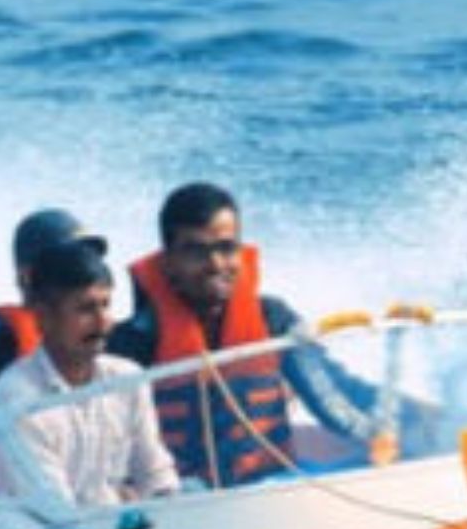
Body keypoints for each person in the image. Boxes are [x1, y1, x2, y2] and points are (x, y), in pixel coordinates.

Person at [107, 181, 377, 489]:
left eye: (226, 248)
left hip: (274, 491)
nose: (215, 265)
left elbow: (334, 399)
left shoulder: (273, 320)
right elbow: (109, 446)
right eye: (196, 252)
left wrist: (396, 429)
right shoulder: (130, 344)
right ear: (168, 263)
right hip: (179, 506)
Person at [0, 239, 179, 507]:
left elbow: (155, 474)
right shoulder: (16, 399)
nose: (102, 322)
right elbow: (54, 510)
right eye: (86, 309)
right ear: (44, 317)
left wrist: (167, 506)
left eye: (106, 305)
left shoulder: (128, 379)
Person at [0, 208, 107, 424]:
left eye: (87, 260)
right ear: (27, 277)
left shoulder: (102, 335)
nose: (84, 270)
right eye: (69, 266)